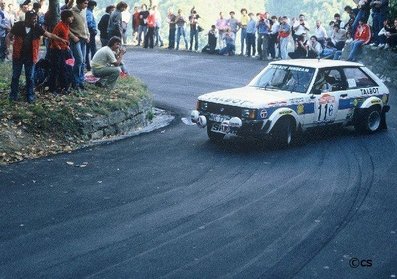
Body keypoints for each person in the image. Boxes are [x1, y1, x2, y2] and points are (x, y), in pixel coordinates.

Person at [6, 11, 68, 103]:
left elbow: (49, 34)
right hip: (18, 56)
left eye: (36, 19)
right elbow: (8, 36)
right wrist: (7, 48)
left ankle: (30, 96)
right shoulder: (18, 26)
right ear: (27, 19)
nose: (35, 21)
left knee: (30, 77)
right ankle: (13, 95)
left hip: (31, 57)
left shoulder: (37, 28)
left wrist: (61, 39)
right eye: (33, 19)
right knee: (15, 76)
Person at [48, 9, 74, 95]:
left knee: (63, 69)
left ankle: (64, 88)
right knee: (55, 70)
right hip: (56, 51)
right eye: (71, 17)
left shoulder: (66, 25)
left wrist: (67, 46)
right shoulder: (59, 25)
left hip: (64, 50)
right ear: (66, 18)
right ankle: (52, 89)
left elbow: (65, 38)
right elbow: (53, 37)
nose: (72, 18)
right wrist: (58, 47)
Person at [68, 0, 90, 91]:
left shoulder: (83, 12)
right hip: (76, 40)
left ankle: (81, 81)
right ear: (79, 3)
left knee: (83, 61)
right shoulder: (72, 12)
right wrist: (73, 37)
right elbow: (66, 28)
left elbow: (85, 26)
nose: (86, 5)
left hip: (84, 39)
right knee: (79, 60)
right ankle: (75, 82)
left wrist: (88, 35)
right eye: (85, 3)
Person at [85, 0, 97, 71]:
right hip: (91, 33)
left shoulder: (87, 12)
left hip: (89, 33)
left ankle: (88, 65)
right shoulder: (89, 13)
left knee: (87, 50)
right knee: (92, 49)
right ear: (92, 6)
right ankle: (92, 65)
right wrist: (93, 30)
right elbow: (89, 22)